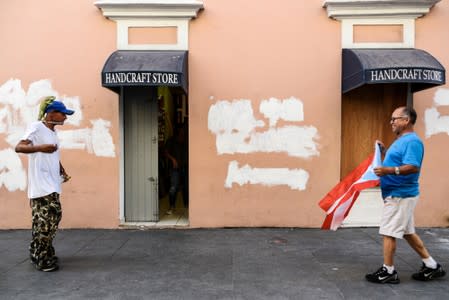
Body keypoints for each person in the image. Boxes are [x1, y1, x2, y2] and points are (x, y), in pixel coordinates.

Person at [366, 106, 445, 284]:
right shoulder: (402, 140)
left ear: (406, 120)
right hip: (398, 193)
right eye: (391, 119)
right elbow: (401, 161)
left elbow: (413, 166)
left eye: (395, 119)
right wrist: (384, 152)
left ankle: (388, 271)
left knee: (388, 233)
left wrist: (388, 170)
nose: (391, 122)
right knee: (408, 232)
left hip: (400, 195)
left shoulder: (412, 141)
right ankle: (431, 266)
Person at [15, 97, 74, 272]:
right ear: (51, 113)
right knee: (48, 221)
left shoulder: (53, 132)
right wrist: (40, 148)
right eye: (62, 113)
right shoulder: (36, 127)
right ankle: (42, 258)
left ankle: (40, 253)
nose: (65, 117)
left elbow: (53, 154)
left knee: (44, 222)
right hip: (42, 186)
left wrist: (61, 168)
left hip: (52, 183)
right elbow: (19, 147)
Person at [164, 126, 188, 215]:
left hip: (185, 167)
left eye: (183, 133)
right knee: (174, 187)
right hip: (175, 169)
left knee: (186, 187)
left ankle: (187, 205)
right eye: (181, 133)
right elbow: (165, 153)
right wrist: (173, 159)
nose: (182, 135)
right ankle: (172, 206)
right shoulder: (171, 140)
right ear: (177, 133)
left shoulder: (186, 140)